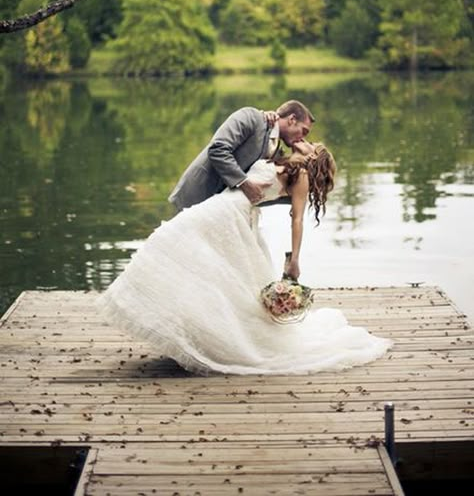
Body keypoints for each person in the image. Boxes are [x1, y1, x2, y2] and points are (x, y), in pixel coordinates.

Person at [98, 140, 391, 375]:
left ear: (316, 158)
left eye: (311, 144)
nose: (306, 140)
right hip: (222, 210)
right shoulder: (278, 157)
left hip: (230, 216)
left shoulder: (300, 175)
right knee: (187, 256)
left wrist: (294, 260)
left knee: (180, 248)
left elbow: (297, 219)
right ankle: (193, 328)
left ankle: (212, 337)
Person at [168, 99, 314, 211]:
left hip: (223, 209)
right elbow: (218, 149)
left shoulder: (277, 152)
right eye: (304, 131)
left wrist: (301, 193)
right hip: (199, 194)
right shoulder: (251, 117)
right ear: (292, 119)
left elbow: (258, 193)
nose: (302, 138)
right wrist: (244, 183)